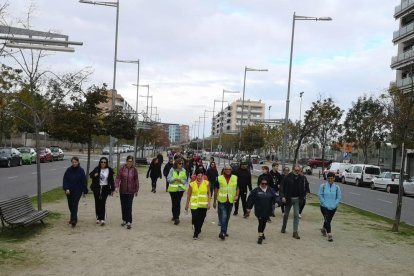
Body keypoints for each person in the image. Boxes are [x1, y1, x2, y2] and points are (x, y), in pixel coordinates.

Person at [246, 178, 278, 244]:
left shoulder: (271, 190)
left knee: (264, 222)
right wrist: (249, 208)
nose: (264, 185)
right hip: (259, 210)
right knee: (260, 222)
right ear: (260, 183)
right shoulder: (256, 190)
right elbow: (250, 199)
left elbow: (276, 197)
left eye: (265, 184)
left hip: (267, 210)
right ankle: (260, 236)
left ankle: (262, 232)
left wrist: (277, 203)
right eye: (262, 183)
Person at [213, 164, 239, 240]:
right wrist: (214, 201)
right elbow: (216, 190)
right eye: (226, 169)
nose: (228, 170)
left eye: (229, 169)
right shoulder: (219, 178)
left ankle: (224, 230)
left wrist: (237, 195)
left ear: (231, 171)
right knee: (224, 216)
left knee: (227, 217)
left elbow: (237, 188)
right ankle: (222, 232)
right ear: (224, 170)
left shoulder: (235, 178)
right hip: (221, 200)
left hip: (230, 200)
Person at [280, 164, 306, 239]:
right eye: (296, 170)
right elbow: (282, 188)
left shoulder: (302, 177)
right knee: (286, 214)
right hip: (288, 199)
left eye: (299, 170)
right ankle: (283, 227)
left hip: (297, 199)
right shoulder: (287, 177)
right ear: (293, 170)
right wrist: (283, 196)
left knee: (296, 215)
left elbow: (304, 187)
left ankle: (295, 232)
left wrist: (303, 195)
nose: (297, 171)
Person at [185, 168, 211, 240]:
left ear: (203, 176)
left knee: (201, 218)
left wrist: (209, 203)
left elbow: (209, 193)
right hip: (194, 204)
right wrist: (187, 204)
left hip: (203, 204)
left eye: (201, 175)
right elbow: (188, 194)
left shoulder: (206, 183)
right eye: (198, 175)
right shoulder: (192, 184)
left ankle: (198, 229)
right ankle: (195, 234)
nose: (199, 177)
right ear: (196, 176)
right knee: (195, 218)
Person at [63, 156, 88, 227]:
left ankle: (74, 220)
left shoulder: (81, 170)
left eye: (75, 162)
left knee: (74, 203)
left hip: (78, 190)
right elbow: (65, 180)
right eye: (73, 162)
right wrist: (66, 188)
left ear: (78, 162)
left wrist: (84, 190)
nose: (74, 163)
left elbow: (84, 181)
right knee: (70, 205)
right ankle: (73, 218)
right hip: (69, 191)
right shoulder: (68, 170)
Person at [89, 156, 115, 226]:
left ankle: (102, 218)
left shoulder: (109, 170)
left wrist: (112, 189)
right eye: (101, 162)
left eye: (104, 162)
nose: (103, 163)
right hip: (97, 188)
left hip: (105, 188)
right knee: (97, 202)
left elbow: (111, 180)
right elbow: (90, 175)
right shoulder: (97, 169)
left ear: (106, 163)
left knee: (103, 202)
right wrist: (95, 175)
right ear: (100, 163)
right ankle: (98, 217)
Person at [115, 155, 139, 229]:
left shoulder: (134, 169)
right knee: (123, 205)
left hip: (131, 191)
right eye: (128, 161)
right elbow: (118, 178)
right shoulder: (122, 168)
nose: (130, 163)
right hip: (123, 190)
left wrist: (136, 190)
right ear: (126, 161)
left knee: (129, 206)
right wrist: (116, 186)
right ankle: (124, 219)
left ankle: (129, 221)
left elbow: (136, 180)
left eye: (131, 161)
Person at [319, 172, 342, 242]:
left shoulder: (337, 187)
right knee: (328, 219)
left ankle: (323, 229)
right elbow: (320, 195)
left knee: (328, 220)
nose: (330, 180)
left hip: (333, 207)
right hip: (324, 206)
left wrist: (335, 205)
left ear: (334, 178)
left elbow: (338, 197)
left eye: (331, 178)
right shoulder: (323, 186)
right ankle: (329, 234)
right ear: (327, 178)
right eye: (328, 178)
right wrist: (324, 203)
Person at [167, 158, 188, 225]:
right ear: (176, 163)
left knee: (178, 203)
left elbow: (185, 181)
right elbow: (168, 179)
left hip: (180, 190)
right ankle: (174, 215)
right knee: (174, 203)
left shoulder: (184, 170)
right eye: (180, 163)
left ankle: (177, 217)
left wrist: (181, 181)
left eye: (182, 163)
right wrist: (174, 179)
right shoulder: (172, 170)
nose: (181, 165)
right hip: (173, 190)